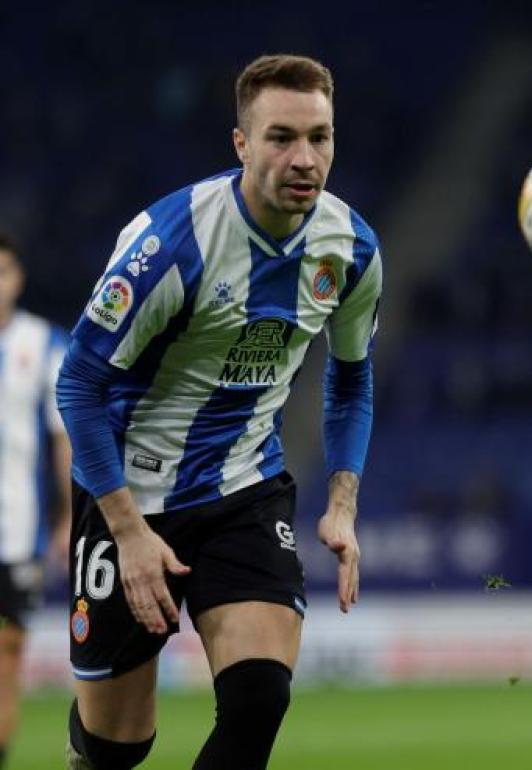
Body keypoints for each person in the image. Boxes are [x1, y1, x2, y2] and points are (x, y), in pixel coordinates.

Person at [55, 54, 382, 769]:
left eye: (319, 137)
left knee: (259, 698)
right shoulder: (172, 242)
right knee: (114, 750)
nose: (304, 159)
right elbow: (77, 385)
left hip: (244, 488)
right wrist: (128, 532)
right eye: (281, 137)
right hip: (130, 496)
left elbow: (351, 379)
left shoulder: (351, 248)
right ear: (241, 143)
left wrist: (342, 501)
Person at [0, 233, 72, 769]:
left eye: (2, 272)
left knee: (8, 655)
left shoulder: (45, 344)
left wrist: (68, 519)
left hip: (17, 530)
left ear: (18, 278)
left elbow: (63, 439)